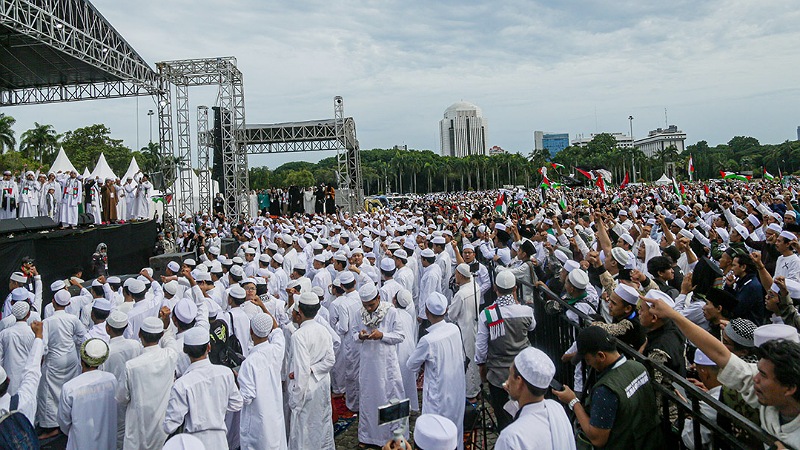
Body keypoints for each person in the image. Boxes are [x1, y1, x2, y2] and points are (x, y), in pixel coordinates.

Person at [647, 298, 800, 448]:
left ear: (789, 387)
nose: (755, 379)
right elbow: (720, 354)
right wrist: (673, 315)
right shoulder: (762, 385)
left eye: (764, 375)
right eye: (758, 371)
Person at [552, 326, 663, 449]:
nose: (588, 364)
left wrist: (573, 401)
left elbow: (597, 439)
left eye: (587, 359)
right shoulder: (638, 367)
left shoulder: (605, 390)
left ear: (601, 356)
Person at [163, 327, 243, 449]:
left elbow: (169, 426)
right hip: (220, 441)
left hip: (193, 442)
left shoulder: (182, 384)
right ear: (209, 348)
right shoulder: (225, 373)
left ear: (185, 350)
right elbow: (237, 403)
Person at [475, 270, 536, 431]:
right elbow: (532, 326)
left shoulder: (487, 314)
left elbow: (481, 348)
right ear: (515, 288)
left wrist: (481, 366)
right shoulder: (526, 311)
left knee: (503, 418)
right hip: (522, 372)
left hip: (498, 374)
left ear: (495, 288)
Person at [407, 292, 466, 450]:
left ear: (426, 313)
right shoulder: (454, 329)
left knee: (435, 433)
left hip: (438, 392)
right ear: (446, 310)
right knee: (455, 427)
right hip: (456, 387)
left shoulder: (428, 340)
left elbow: (411, 364)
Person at [353, 284, 407, 446]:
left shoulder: (390, 312)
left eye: (371, 305)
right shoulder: (359, 314)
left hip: (387, 365)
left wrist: (382, 335)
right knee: (369, 399)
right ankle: (368, 436)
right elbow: (354, 333)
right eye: (365, 305)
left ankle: (394, 437)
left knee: (391, 397)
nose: (369, 308)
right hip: (368, 365)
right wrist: (360, 336)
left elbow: (400, 335)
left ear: (378, 298)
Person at [117, 313, 179, 450]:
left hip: (138, 429)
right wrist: (166, 324)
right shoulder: (171, 355)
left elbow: (121, 398)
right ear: (160, 336)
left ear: (139, 334)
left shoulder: (131, 366)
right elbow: (170, 340)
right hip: (161, 427)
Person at [495, 347, 575, 450]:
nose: (508, 380)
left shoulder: (510, 438)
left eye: (510, 374)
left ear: (519, 381)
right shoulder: (556, 408)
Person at [287, 290, 336, 450]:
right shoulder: (323, 330)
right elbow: (329, 361)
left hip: (305, 389)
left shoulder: (299, 336)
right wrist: (313, 369)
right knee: (321, 426)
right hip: (321, 385)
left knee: (303, 432)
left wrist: (295, 400)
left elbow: (301, 372)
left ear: (299, 312)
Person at [37, 289, 87, 439]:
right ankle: (71, 417)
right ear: (69, 303)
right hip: (71, 357)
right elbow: (82, 336)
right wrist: (73, 344)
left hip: (54, 359)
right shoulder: (73, 319)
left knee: (48, 393)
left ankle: (52, 426)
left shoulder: (46, 322)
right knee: (70, 387)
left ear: (53, 302)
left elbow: (43, 344)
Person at [58, 338, 118, 450]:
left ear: (81, 360)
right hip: (107, 440)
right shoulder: (112, 380)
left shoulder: (70, 387)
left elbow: (63, 422)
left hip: (80, 442)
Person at [238, 311, 286, 450]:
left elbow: (246, 397)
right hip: (274, 412)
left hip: (256, 420)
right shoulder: (277, 349)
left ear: (251, 331)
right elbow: (278, 333)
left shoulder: (249, 363)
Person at [0, 320, 44, 426]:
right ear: (7, 380)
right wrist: (38, 337)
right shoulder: (24, 400)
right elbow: (32, 371)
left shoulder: (4, 332)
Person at [449, 263, 481, 401]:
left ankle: (471, 392)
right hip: (474, 326)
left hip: (464, 328)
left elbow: (452, 314)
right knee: (475, 356)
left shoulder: (461, 294)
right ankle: (477, 386)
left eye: (456, 273)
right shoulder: (475, 286)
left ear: (461, 275)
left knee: (467, 360)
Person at [681, 349, 722, 450]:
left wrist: (689, 413)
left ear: (704, 371)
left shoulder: (710, 404)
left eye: (697, 369)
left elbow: (690, 440)